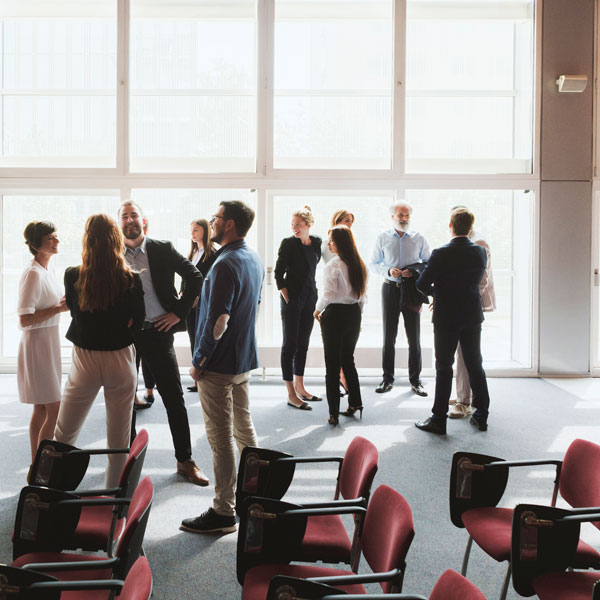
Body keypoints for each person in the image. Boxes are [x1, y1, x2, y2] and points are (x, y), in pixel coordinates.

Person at [180, 200, 263, 534]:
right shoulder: (252, 257)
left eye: (215, 218)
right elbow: (253, 307)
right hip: (242, 359)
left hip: (219, 364)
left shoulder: (225, 263)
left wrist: (199, 361)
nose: (211, 222)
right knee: (243, 429)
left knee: (220, 438)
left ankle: (224, 510)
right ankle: (254, 494)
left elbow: (218, 320)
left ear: (228, 224)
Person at [119, 201, 208, 485]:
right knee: (123, 401)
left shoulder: (162, 248)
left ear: (144, 221)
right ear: (119, 224)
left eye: (134, 215)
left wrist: (178, 313)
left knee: (174, 399)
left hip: (158, 331)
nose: (130, 219)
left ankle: (185, 461)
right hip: (126, 338)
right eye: (124, 216)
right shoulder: (112, 254)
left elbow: (196, 277)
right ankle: (126, 463)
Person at [54, 214, 145, 486]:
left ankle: (53, 489)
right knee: (118, 437)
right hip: (120, 357)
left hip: (85, 358)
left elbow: (76, 313)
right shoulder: (131, 278)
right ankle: (113, 496)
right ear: (116, 239)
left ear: (87, 240)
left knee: (65, 432)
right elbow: (138, 321)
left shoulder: (73, 275)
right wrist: (121, 325)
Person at [415, 207, 490, 435]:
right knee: (475, 363)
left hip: (446, 316)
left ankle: (439, 419)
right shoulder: (480, 252)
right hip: (471, 314)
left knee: (444, 366)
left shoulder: (441, 253)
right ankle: (481, 415)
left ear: (450, 226)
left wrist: (437, 295)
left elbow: (421, 284)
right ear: (470, 228)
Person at [17, 221, 69, 476]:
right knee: (54, 407)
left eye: (56, 236)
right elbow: (24, 319)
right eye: (51, 238)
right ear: (37, 244)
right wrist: (58, 309)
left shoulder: (49, 269)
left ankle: (34, 465)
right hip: (37, 343)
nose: (57, 241)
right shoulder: (33, 274)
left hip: (49, 340)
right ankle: (41, 465)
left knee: (41, 408)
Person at [369, 201, 430, 396]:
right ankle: (387, 379)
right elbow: (372, 263)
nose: (404, 219)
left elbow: (428, 263)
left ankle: (416, 380)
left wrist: (413, 272)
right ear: (392, 216)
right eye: (400, 215)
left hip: (412, 291)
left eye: (407, 215)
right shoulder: (383, 237)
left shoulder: (419, 238)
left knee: (414, 337)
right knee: (389, 336)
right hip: (390, 290)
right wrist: (388, 270)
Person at [314, 225, 367, 426]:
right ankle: (355, 403)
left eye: (332, 241)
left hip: (335, 315)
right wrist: (359, 318)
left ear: (340, 243)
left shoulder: (334, 265)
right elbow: (362, 296)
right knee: (348, 360)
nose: (329, 244)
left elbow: (328, 293)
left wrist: (317, 310)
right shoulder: (360, 264)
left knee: (332, 365)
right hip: (354, 314)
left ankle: (333, 413)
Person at [449, 207, 496, 419]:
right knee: (463, 353)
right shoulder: (469, 240)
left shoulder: (478, 243)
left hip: (467, 307)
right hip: (465, 307)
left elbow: (480, 280)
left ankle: (465, 402)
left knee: (467, 356)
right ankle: (462, 394)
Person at [274, 206, 322, 410]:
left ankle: (301, 387)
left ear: (308, 225)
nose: (295, 228)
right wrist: (287, 295)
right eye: (292, 225)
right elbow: (278, 272)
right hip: (292, 298)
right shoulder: (288, 243)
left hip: (311, 297)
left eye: (298, 225)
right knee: (290, 344)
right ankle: (290, 393)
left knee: (303, 343)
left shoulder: (317, 242)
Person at [321, 209, 355, 396]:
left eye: (350, 221)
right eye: (345, 220)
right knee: (335, 354)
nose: (348, 223)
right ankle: (340, 383)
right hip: (333, 302)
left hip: (347, 303)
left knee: (345, 353)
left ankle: (344, 381)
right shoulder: (329, 244)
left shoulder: (350, 245)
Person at [183, 218, 217, 393]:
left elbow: (210, 280)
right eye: (191, 230)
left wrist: (198, 296)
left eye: (196, 230)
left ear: (205, 231)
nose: (193, 233)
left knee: (201, 339)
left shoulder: (212, 254)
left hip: (203, 304)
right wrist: (183, 292)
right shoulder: (193, 252)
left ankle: (202, 376)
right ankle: (197, 377)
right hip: (190, 304)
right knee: (192, 339)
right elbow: (187, 276)